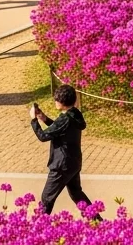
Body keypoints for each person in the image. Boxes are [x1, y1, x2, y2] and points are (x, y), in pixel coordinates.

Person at [30, 85, 94, 216]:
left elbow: (43, 136)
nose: (55, 102)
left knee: (47, 198)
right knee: (77, 193)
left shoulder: (64, 119)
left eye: (56, 100)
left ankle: (39, 227)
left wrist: (34, 120)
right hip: (74, 162)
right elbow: (61, 129)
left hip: (61, 165)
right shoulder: (75, 114)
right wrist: (44, 118)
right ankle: (96, 220)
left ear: (61, 102)